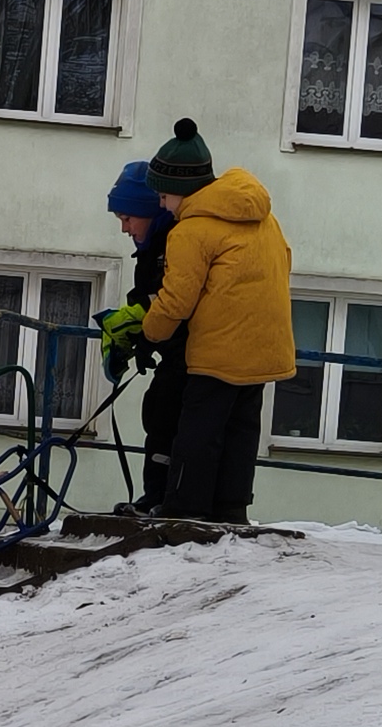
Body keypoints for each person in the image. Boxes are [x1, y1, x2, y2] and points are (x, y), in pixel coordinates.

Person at [134, 123, 296, 525]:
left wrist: (149, 334)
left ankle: (185, 509)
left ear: (181, 189)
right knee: (242, 431)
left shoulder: (191, 229)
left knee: (198, 432)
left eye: (164, 195)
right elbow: (285, 263)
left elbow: (177, 299)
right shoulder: (265, 218)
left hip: (218, 350)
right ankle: (231, 508)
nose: (163, 204)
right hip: (267, 346)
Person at [99, 139, 192, 514]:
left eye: (127, 218)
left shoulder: (174, 243)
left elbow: (168, 298)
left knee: (165, 415)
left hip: (191, 352)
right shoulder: (152, 246)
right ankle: (156, 495)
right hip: (173, 349)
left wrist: (141, 329)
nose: (124, 228)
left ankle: (161, 498)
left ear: (149, 211)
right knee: (157, 412)